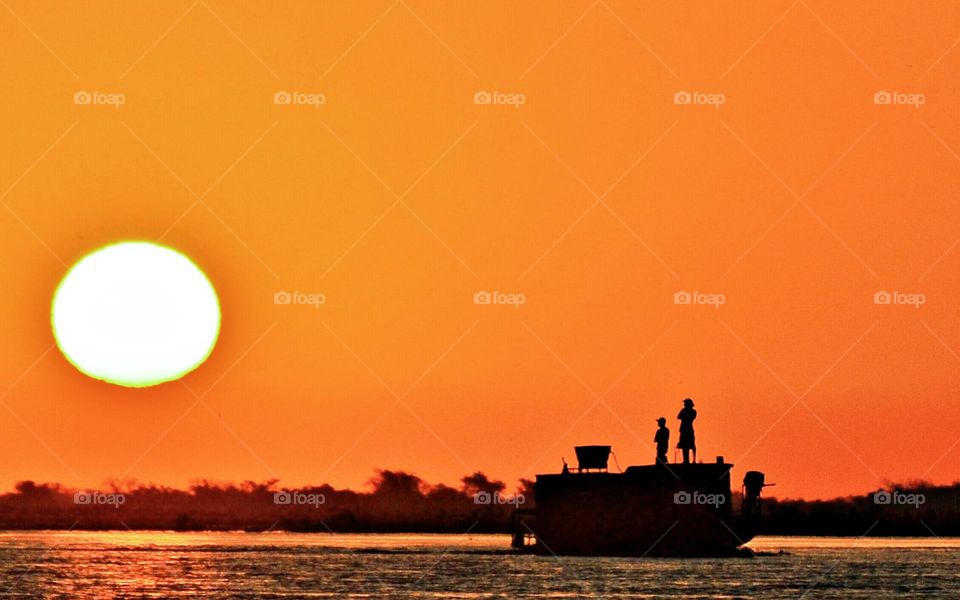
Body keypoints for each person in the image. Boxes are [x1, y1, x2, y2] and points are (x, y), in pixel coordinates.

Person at [677, 398, 697, 464]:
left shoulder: (693, 411)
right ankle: (686, 461)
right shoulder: (685, 410)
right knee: (684, 446)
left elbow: (683, 417)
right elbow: (678, 417)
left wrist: (685, 415)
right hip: (683, 429)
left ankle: (694, 460)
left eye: (685, 404)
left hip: (688, 429)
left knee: (691, 445)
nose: (684, 405)